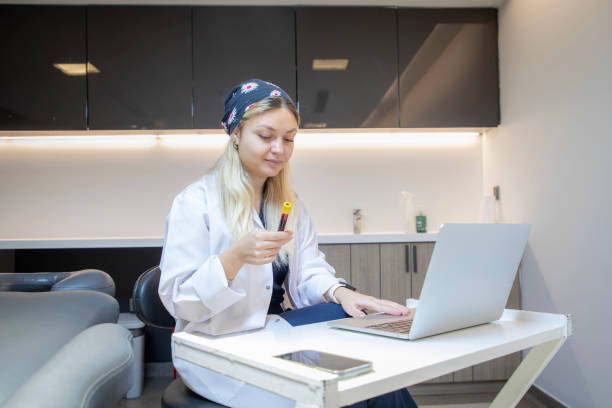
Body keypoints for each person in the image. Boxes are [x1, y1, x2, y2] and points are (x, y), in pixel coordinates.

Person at [159, 79, 418, 407]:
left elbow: (309, 271)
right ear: (236, 134)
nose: (279, 149)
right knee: (344, 393)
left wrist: (342, 293)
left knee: (377, 377)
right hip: (218, 346)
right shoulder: (196, 202)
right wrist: (235, 256)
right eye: (265, 137)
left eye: (289, 139)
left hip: (273, 330)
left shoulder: (286, 204)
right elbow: (181, 302)